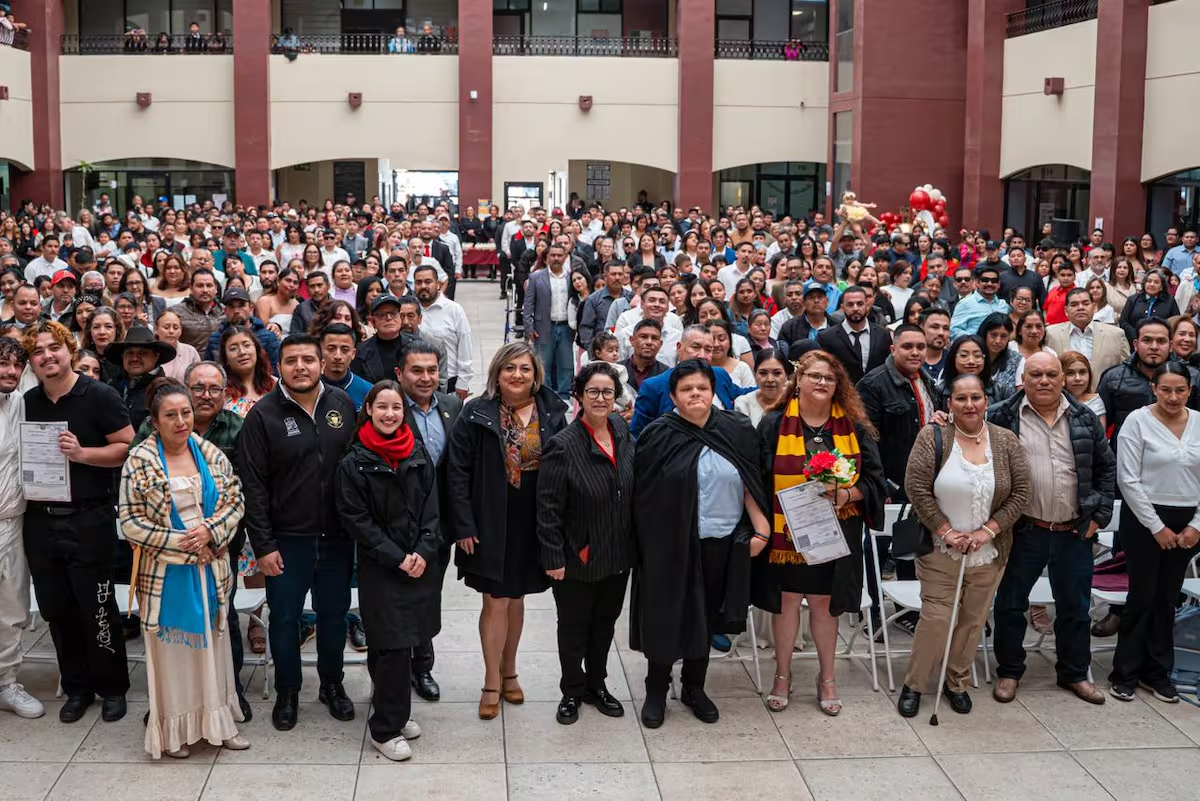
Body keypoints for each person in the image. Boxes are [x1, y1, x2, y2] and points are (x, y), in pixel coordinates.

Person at [631, 359, 771, 727]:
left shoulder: (736, 429)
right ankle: (656, 689)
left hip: (722, 541)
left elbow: (750, 479)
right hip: (670, 544)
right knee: (666, 616)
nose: (695, 394)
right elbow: (643, 494)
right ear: (673, 396)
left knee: (706, 618)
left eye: (702, 388)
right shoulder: (659, 434)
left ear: (713, 391)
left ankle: (695, 687)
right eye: (687, 389)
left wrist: (761, 529)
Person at [119, 377, 250, 758]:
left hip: (211, 565)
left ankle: (219, 724)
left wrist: (209, 532)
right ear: (155, 421)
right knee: (174, 658)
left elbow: (235, 500)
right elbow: (130, 521)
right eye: (171, 415)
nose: (181, 422)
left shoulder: (209, 453)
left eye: (186, 413)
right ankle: (176, 734)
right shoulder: (139, 460)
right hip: (166, 572)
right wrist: (186, 544)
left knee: (214, 650)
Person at [239, 335, 358, 731]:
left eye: (308, 359)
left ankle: (332, 684)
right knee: (286, 619)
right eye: (291, 360)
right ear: (279, 366)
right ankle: (288, 690)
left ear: (322, 364)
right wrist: (263, 545)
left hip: (337, 538)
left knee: (334, 617)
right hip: (287, 541)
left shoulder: (342, 405)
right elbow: (253, 486)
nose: (301, 367)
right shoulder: (263, 415)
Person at [757, 350, 884, 715]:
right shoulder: (773, 423)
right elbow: (757, 478)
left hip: (836, 531)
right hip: (786, 533)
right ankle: (782, 675)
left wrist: (848, 493)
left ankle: (827, 678)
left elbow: (875, 479)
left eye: (829, 378)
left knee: (824, 604)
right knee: (787, 601)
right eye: (814, 375)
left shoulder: (854, 426)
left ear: (838, 384)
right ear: (798, 380)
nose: (822, 382)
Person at [897, 373, 1032, 717]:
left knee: (973, 620)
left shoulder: (1005, 440)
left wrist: (987, 531)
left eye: (976, 397)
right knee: (937, 618)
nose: (969, 405)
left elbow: (1021, 493)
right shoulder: (934, 436)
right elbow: (916, 487)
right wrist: (946, 531)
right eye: (961, 398)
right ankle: (915, 684)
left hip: (989, 551)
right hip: (940, 548)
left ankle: (956, 681)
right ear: (949, 403)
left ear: (986, 401)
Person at [447, 342, 568, 720]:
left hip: (535, 518)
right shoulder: (475, 412)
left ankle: (510, 670)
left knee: (517, 597)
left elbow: (564, 468)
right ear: (497, 374)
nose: (517, 375)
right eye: (509, 368)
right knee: (495, 600)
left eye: (525, 369)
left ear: (536, 375)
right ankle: (491, 680)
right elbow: (456, 471)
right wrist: (463, 523)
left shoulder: (553, 410)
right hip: (489, 517)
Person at [988, 353, 1115, 705]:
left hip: (1075, 531)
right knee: (1011, 605)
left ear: (1062, 379)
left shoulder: (1084, 417)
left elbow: (1107, 469)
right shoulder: (1001, 416)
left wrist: (1098, 518)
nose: (1044, 380)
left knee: (1075, 607)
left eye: (1050, 374)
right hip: (1024, 530)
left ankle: (1074, 673)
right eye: (1036, 374)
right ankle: (1010, 671)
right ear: (1023, 380)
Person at [22, 321, 133, 724]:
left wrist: (83, 454)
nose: (47, 356)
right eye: (38, 351)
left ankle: (113, 687)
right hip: (40, 521)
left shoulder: (99, 394)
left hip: (89, 517)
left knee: (98, 607)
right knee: (57, 609)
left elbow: (127, 446)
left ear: (70, 350)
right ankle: (77, 688)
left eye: (54, 347)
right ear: (31, 362)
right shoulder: (28, 401)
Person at [334, 380, 438, 761]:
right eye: (382, 407)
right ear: (369, 410)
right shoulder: (354, 461)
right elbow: (356, 519)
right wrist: (398, 557)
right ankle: (385, 728)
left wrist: (423, 549)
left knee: (403, 641)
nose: (390, 414)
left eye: (396, 407)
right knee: (391, 644)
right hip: (382, 567)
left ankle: (393, 708)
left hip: (418, 563)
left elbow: (432, 508)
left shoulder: (417, 451)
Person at [536, 362, 635, 725]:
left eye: (607, 392)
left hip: (617, 552)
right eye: (592, 391)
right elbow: (547, 507)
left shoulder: (621, 429)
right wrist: (553, 557)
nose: (600, 398)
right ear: (578, 395)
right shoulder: (562, 445)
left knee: (605, 623)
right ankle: (571, 690)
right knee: (574, 626)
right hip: (577, 555)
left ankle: (597, 684)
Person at [1110, 362, 1200, 702]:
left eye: (1180, 390)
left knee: (1167, 599)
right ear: (1154, 389)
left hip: (1188, 521)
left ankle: (1158, 672)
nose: (1173, 397)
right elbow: (1128, 479)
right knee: (1142, 596)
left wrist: (1196, 525)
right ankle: (1125, 672)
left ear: (1189, 390)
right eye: (1166, 390)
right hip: (1144, 518)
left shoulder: (1199, 422)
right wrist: (1157, 527)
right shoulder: (1137, 422)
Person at [396, 340, 462, 702]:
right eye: (416, 371)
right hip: (399, 525)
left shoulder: (451, 406)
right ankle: (397, 665)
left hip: (439, 528)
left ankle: (422, 666)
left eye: (432, 371)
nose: (425, 378)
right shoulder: (389, 408)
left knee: (428, 595)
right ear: (400, 374)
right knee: (400, 597)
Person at [0, 339, 43, 719]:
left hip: (13, 521)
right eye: (3, 363)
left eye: (16, 365)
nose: (10, 371)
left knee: (12, 609)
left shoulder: (24, 404)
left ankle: (7, 683)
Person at [629, 325, 753, 438]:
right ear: (679, 347)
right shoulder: (653, 386)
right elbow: (638, 435)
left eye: (708, 350)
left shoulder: (719, 375)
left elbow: (743, 393)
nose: (702, 355)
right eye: (695, 347)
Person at [523, 243, 575, 398]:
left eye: (559, 255)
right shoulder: (536, 277)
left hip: (566, 327)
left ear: (565, 257)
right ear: (546, 258)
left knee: (566, 364)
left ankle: (564, 396)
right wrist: (529, 328)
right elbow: (528, 304)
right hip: (543, 327)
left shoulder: (571, 277)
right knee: (543, 364)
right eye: (553, 255)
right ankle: (545, 397)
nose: (556, 258)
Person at [413, 265, 473, 398]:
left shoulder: (454, 310)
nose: (423, 286)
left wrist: (463, 383)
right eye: (418, 282)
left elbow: (465, 347)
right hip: (415, 384)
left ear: (438, 284)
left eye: (428, 282)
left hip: (449, 383)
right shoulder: (409, 311)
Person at [815, 286, 890, 385]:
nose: (855, 308)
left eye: (860, 304)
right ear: (842, 307)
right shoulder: (826, 337)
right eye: (850, 304)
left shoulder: (883, 335)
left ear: (867, 305)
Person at [351, 295, 418, 385]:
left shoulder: (417, 345)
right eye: (382, 314)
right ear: (373, 321)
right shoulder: (361, 352)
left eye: (393, 313)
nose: (389, 318)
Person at [734, 348, 794, 427]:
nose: (770, 379)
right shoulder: (743, 404)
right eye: (763, 373)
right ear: (755, 374)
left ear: (786, 375)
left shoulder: (796, 401)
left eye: (777, 373)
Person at [950, 264, 1009, 339]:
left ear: (998, 285)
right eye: (985, 280)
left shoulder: (1003, 305)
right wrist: (975, 339)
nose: (989, 284)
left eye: (994, 281)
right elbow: (953, 330)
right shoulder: (965, 303)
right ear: (977, 283)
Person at [320, 323, 371, 410]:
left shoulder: (368, 392)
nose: (338, 356)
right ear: (320, 351)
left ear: (353, 353)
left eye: (344, 350)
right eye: (331, 349)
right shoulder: (309, 388)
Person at [1119, 269, 1179, 343]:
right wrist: (1136, 336)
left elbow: (1175, 323)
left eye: (1156, 282)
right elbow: (1124, 322)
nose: (1152, 284)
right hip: (1134, 341)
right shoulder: (1133, 299)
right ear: (1144, 283)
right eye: (1149, 281)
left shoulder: (1170, 301)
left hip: (1161, 341)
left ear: (1162, 287)